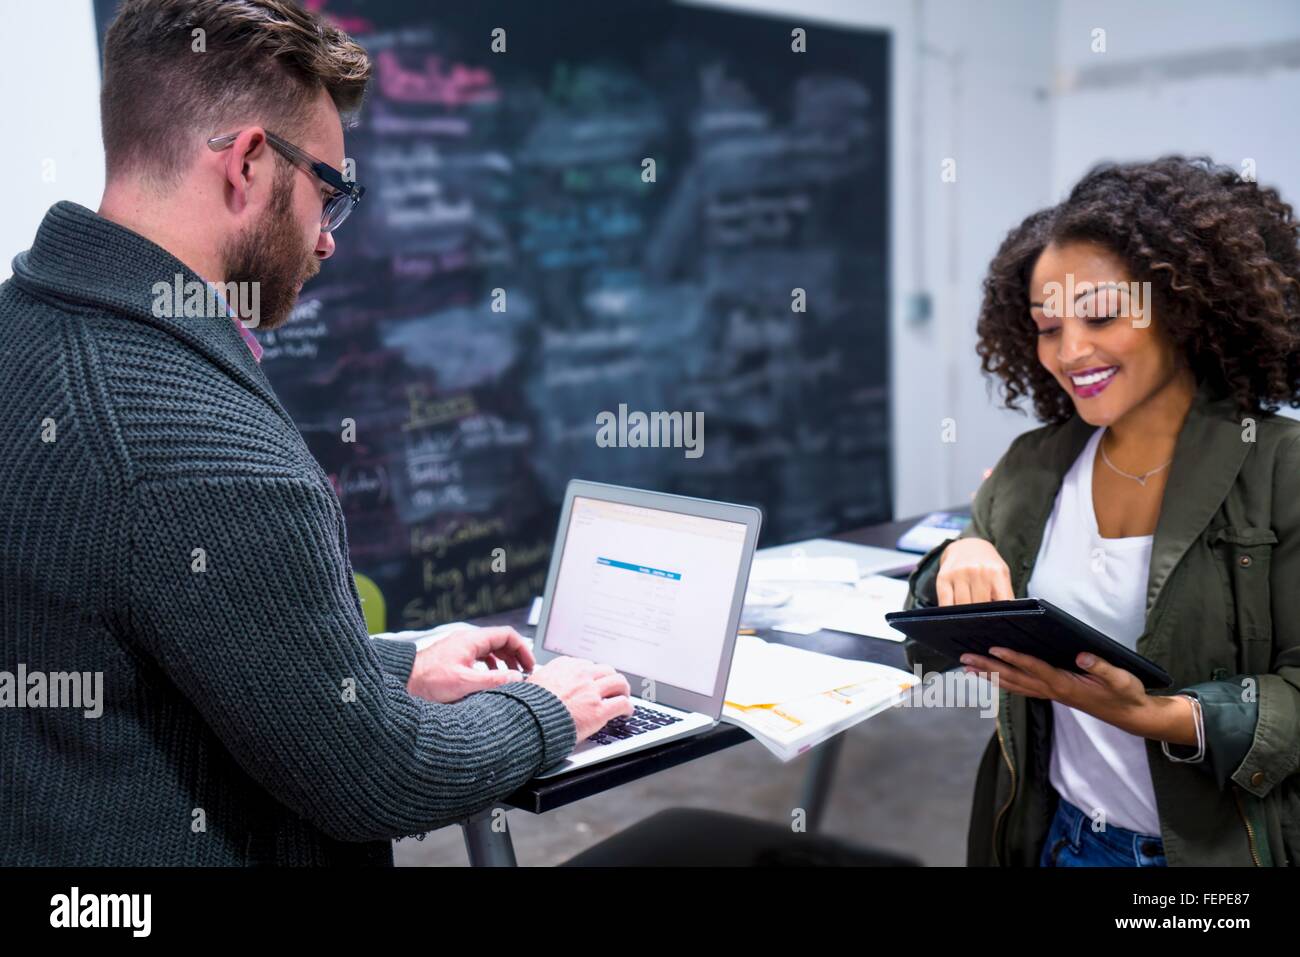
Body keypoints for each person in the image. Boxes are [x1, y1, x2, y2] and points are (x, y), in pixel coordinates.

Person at [0, 0, 631, 866]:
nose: (328, 240)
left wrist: (388, 667)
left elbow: (162, 653)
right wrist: (549, 706)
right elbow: (380, 778)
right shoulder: (204, 446)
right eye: (328, 193)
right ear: (251, 164)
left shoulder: (26, 330)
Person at [905, 156, 1300, 866]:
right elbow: (934, 633)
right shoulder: (1035, 463)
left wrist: (1151, 715)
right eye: (1047, 325)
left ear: (1181, 308)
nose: (1070, 350)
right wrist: (957, 555)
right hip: (1056, 838)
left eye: (1102, 316)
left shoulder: (1280, 465)